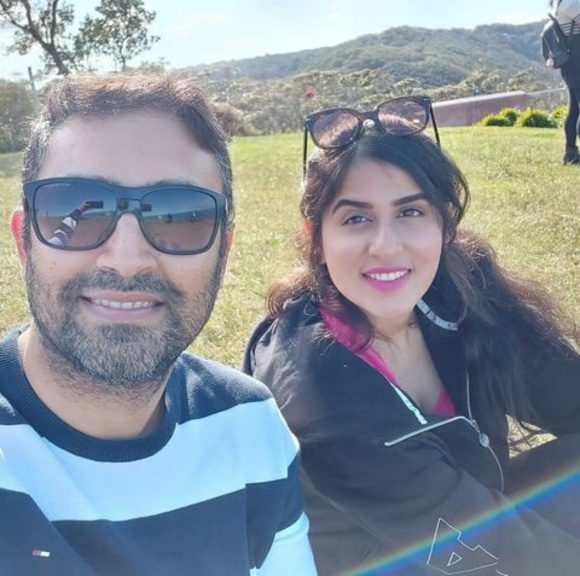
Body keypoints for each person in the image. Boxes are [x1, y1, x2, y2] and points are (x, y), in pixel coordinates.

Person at [242, 97, 580, 575]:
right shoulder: (320, 391)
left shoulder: (459, 291)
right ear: (317, 239)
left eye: (410, 212)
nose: (386, 245)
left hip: (478, 511)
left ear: (444, 223)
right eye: (356, 218)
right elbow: (482, 553)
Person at [0, 72, 317, 575]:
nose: (127, 260)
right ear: (24, 241)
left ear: (224, 251)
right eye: (76, 210)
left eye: (180, 216)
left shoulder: (250, 426)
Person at [550, 0, 580, 164]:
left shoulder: (563, 4)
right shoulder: (571, 4)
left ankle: (571, 153)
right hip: (577, 63)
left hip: (571, 65)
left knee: (574, 110)